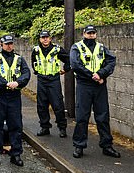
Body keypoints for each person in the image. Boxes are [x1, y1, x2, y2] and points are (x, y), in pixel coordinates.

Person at [70, 25, 120, 159]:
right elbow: (75, 64)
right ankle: (79, 145)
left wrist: (101, 74)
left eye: (93, 33)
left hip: (99, 86)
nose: (91, 35)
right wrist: (93, 75)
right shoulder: (77, 47)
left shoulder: (101, 47)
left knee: (103, 116)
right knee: (82, 116)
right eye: (88, 33)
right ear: (84, 33)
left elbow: (111, 61)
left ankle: (106, 146)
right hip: (84, 85)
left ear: (96, 34)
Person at [0, 34, 31, 166]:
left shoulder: (19, 59)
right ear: (1, 45)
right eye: (6, 44)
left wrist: (18, 83)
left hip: (14, 96)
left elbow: (26, 74)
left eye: (11, 43)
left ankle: (16, 154)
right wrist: (5, 83)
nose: (9, 46)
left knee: (16, 125)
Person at [31, 30, 70, 138]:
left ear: (50, 38)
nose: (45, 39)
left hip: (53, 80)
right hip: (42, 80)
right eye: (43, 37)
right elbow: (33, 62)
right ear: (40, 39)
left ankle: (62, 128)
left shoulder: (57, 49)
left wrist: (66, 69)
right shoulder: (36, 50)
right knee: (41, 105)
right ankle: (45, 127)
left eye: (47, 37)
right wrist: (37, 71)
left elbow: (68, 59)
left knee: (58, 105)